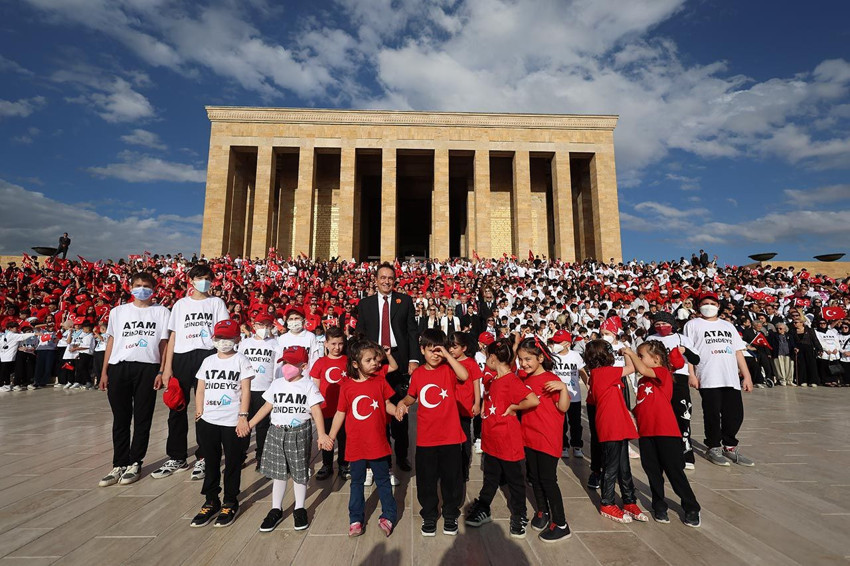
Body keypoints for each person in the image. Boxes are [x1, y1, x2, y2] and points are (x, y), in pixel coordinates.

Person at [153, 263, 229, 481]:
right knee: (176, 407)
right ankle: (177, 456)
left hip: (207, 355)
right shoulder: (180, 304)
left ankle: (204, 456)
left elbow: (222, 332)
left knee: (204, 409)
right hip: (182, 357)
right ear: (191, 280)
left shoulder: (216, 302)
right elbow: (173, 337)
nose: (203, 282)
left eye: (207, 278)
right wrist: (167, 368)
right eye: (199, 278)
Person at [242, 346, 329, 533]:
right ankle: (276, 508)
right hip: (276, 432)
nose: (286, 366)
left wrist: (321, 434)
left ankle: (299, 508)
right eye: (285, 363)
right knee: (278, 473)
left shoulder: (308, 385)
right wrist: (250, 424)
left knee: (299, 472)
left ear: (303, 365)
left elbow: (316, 410)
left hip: (299, 432)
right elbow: (266, 407)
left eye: (292, 363)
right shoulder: (277, 383)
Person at [98, 271, 170, 487]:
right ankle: (119, 463)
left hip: (147, 368)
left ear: (153, 289)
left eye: (146, 285)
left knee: (142, 418)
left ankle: (135, 462)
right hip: (119, 367)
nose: (142, 289)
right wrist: (104, 371)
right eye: (138, 285)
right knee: (120, 419)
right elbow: (112, 341)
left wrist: (161, 370)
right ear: (130, 287)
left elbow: (164, 345)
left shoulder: (162, 312)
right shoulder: (118, 312)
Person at [395, 328, 469, 537]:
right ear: (421, 350)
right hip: (427, 438)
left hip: (451, 436)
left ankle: (450, 513)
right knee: (426, 479)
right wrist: (402, 403)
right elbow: (411, 396)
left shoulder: (449, 370)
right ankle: (429, 514)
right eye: (431, 350)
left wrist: (447, 355)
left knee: (451, 478)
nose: (435, 354)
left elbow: (464, 375)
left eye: (439, 350)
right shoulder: (418, 374)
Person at [465, 337, 539, 539]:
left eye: (489, 355)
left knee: (515, 480)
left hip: (508, 440)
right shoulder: (493, 378)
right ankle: (484, 506)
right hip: (492, 438)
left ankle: (520, 514)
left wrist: (515, 407)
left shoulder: (511, 381)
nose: (486, 358)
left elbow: (532, 400)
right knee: (490, 476)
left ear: (494, 357)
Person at [325, 339, 400, 538]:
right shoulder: (346, 387)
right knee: (356, 481)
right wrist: (330, 437)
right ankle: (356, 518)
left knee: (383, 480)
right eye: (369, 360)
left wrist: (398, 410)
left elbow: (387, 405)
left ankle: (389, 515)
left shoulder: (380, 381)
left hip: (377, 443)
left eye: (376, 359)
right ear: (356, 364)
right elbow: (340, 413)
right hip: (356, 445)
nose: (375, 362)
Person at [622, 343, 701, 527]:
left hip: (666, 432)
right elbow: (642, 404)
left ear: (656, 359)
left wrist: (629, 351)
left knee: (674, 472)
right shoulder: (642, 382)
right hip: (646, 433)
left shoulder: (663, 373)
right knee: (653, 472)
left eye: (641, 355)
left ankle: (691, 507)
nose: (639, 359)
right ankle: (659, 505)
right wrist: (630, 413)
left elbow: (641, 367)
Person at [354, 263, 420, 474]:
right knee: (376, 412)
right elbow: (360, 335)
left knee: (400, 408)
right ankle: (379, 457)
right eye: (382, 277)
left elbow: (412, 331)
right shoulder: (365, 304)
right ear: (376, 280)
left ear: (394, 280)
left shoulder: (405, 301)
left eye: (390, 278)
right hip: (373, 363)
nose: (386, 281)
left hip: (398, 361)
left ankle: (401, 455)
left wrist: (413, 359)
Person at [189, 319, 253, 528]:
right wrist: (199, 412)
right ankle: (211, 500)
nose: (224, 341)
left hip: (232, 420)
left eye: (228, 338)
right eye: (220, 337)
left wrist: (243, 416)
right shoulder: (208, 361)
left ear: (237, 339)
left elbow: (245, 390)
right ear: (214, 338)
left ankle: (230, 500)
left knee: (233, 462)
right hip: (209, 420)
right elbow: (200, 388)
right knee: (211, 461)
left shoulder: (241, 360)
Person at [683, 291, 755, 467]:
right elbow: (687, 351)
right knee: (712, 413)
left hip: (729, 376)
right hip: (708, 376)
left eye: (713, 303)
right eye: (705, 303)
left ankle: (729, 446)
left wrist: (747, 376)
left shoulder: (728, 326)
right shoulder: (692, 325)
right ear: (699, 306)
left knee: (735, 414)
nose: (709, 306)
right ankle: (713, 447)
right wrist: (691, 374)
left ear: (718, 306)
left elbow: (738, 351)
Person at [584, 339, 647, 524]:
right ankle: (607, 502)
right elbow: (632, 368)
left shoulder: (597, 373)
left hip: (616, 421)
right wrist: (628, 352)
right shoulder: (606, 372)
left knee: (623, 465)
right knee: (612, 466)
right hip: (611, 423)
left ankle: (629, 500)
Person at [516, 337, 572, 542]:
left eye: (528, 359)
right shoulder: (524, 378)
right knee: (535, 477)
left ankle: (561, 523)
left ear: (540, 357)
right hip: (528, 436)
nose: (524, 364)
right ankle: (542, 511)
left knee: (548, 480)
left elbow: (563, 408)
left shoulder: (551, 379)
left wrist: (563, 388)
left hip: (548, 437)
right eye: (521, 359)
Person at [645, 312, 700, 470]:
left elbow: (696, 359)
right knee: (661, 415)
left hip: (678, 379)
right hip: (659, 378)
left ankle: (686, 452)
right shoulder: (650, 339)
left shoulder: (682, 339)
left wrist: (685, 351)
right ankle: (665, 450)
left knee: (682, 414)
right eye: (657, 324)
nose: (661, 327)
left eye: (664, 323)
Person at [237, 313, 282, 470]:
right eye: (260, 325)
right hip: (247, 389)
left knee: (263, 426)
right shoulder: (245, 343)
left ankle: (261, 456)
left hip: (265, 389)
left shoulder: (275, 344)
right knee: (244, 422)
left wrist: (275, 389)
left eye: (267, 325)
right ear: (253, 326)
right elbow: (238, 365)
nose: (263, 328)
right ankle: (240, 455)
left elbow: (278, 369)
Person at [310, 326, 349, 480]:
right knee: (326, 437)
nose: (337, 347)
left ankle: (343, 464)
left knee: (343, 437)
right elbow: (315, 388)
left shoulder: (348, 361)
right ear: (325, 344)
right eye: (333, 344)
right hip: (325, 409)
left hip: (344, 409)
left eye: (340, 344)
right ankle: (327, 464)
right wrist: (315, 410)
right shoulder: (320, 362)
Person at [446, 331, 482, 483]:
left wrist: (477, 403)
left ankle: (464, 469)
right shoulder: (448, 362)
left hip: (465, 406)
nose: (451, 350)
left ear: (464, 348)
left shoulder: (471, 363)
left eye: (454, 347)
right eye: (450, 347)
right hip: (450, 407)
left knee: (465, 439)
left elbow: (476, 384)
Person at [548, 329, 587, 459]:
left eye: (559, 342)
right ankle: (563, 445)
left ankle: (577, 445)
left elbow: (582, 371)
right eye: (554, 341)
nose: (555, 344)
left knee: (575, 423)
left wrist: (588, 384)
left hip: (574, 395)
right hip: (557, 396)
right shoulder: (552, 356)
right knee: (561, 423)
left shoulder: (575, 355)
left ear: (567, 343)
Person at [1, 320, 36, 391]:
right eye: (15, 327)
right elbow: (23, 336)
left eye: (17, 327)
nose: (17, 329)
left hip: (9, 357)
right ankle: (6, 385)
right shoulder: (11, 335)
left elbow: (22, 336)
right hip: (5, 357)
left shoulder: (9, 335)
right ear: (10, 328)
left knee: (7, 372)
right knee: (5, 372)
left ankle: (7, 385)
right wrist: (35, 334)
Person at [70, 320, 95, 389]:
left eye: (84, 328)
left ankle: (88, 381)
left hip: (87, 354)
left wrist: (75, 349)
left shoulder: (90, 336)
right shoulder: (86, 336)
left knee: (83, 367)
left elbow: (86, 346)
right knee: (79, 367)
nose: (83, 329)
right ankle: (80, 381)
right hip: (82, 353)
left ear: (88, 328)